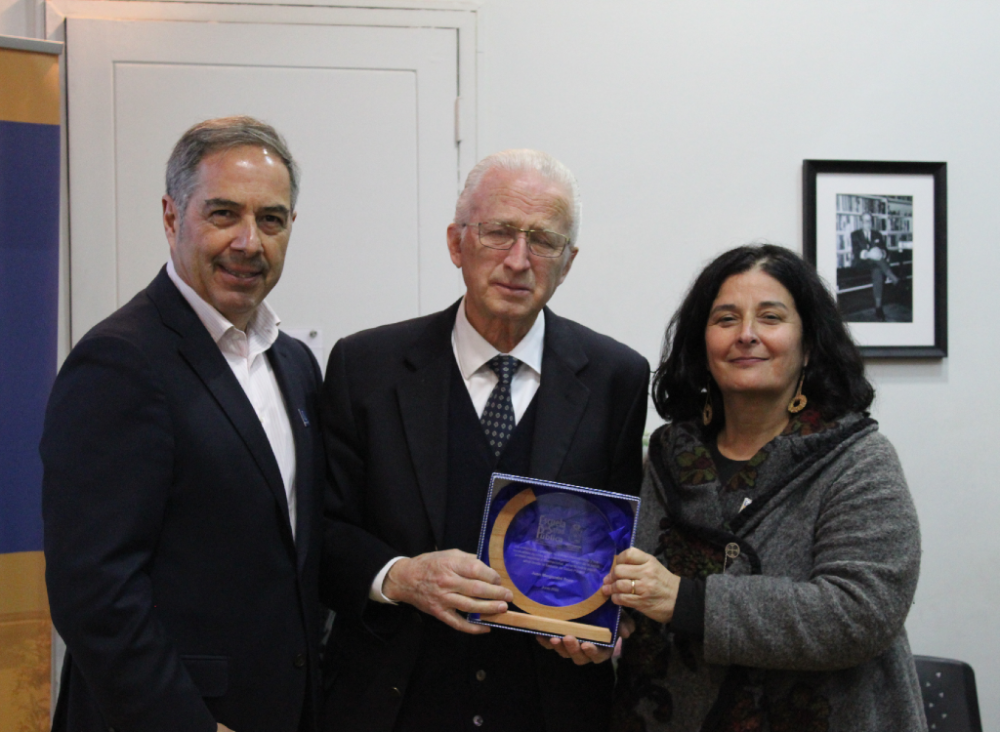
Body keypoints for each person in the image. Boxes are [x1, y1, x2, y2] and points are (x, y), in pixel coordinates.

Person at [319, 149, 650, 732]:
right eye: (498, 232)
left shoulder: (617, 377)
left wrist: (609, 628)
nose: (519, 261)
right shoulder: (364, 366)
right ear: (456, 243)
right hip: (393, 702)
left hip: (550, 704)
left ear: (568, 262)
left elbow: (619, 541)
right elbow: (320, 530)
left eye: (543, 241)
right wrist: (398, 575)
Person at [42, 117, 327, 732]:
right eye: (224, 214)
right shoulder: (119, 361)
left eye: (271, 219)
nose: (250, 242)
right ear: (173, 218)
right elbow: (93, 590)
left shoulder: (295, 363)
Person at [605, 245, 925, 731]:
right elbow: (629, 590)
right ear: (703, 343)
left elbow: (860, 613)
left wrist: (688, 602)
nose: (746, 335)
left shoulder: (859, 460)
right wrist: (602, 623)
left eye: (770, 318)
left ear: (809, 345)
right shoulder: (663, 462)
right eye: (726, 319)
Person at [850, 212, 899, 320]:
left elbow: (885, 250)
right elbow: (856, 252)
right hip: (862, 264)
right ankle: (892, 276)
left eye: (869, 220)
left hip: (876, 264)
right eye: (865, 220)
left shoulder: (877, 234)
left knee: (877, 270)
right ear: (861, 222)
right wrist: (868, 254)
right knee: (874, 256)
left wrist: (882, 252)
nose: (867, 223)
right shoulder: (855, 234)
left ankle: (878, 307)